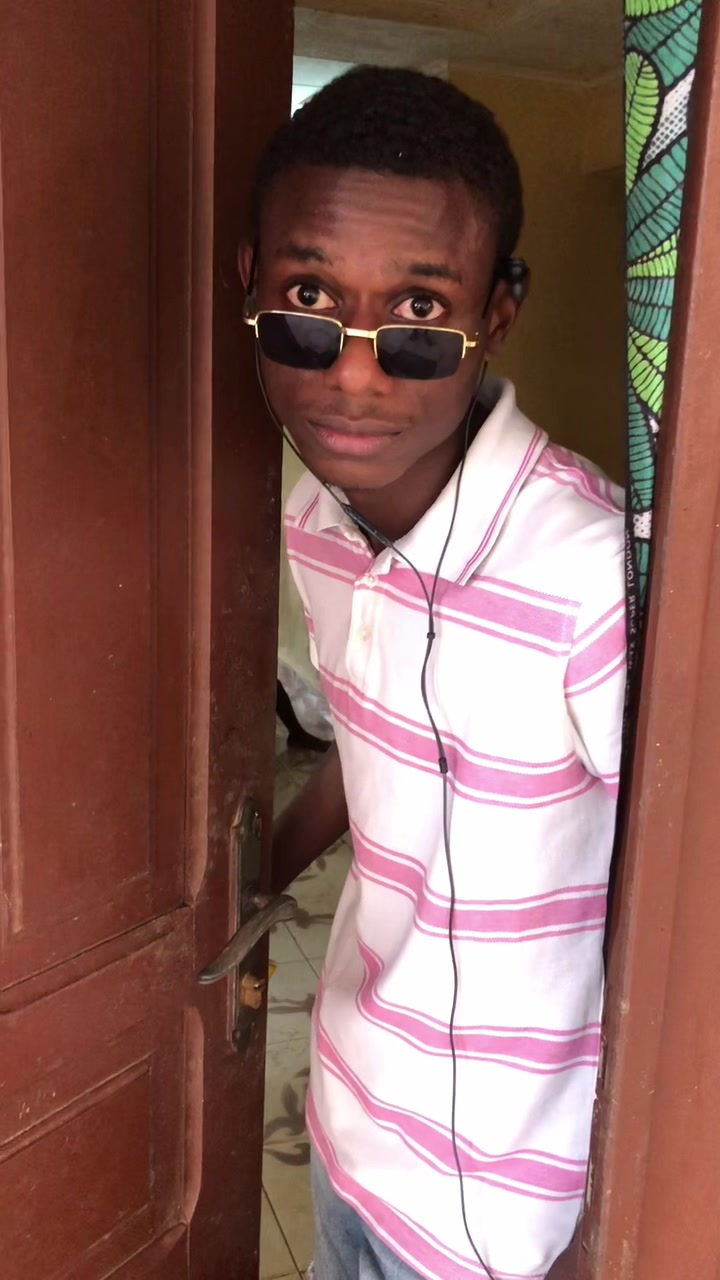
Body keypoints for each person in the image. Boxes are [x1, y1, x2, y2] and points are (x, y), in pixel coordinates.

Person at [241, 66, 625, 1280]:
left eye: (418, 312)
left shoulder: (597, 579)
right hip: (350, 1121)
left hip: (505, 1219)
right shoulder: (317, 523)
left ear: (498, 311)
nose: (355, 373)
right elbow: (378, 740)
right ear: (250, 283)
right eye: (311, 301)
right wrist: (243, 885)